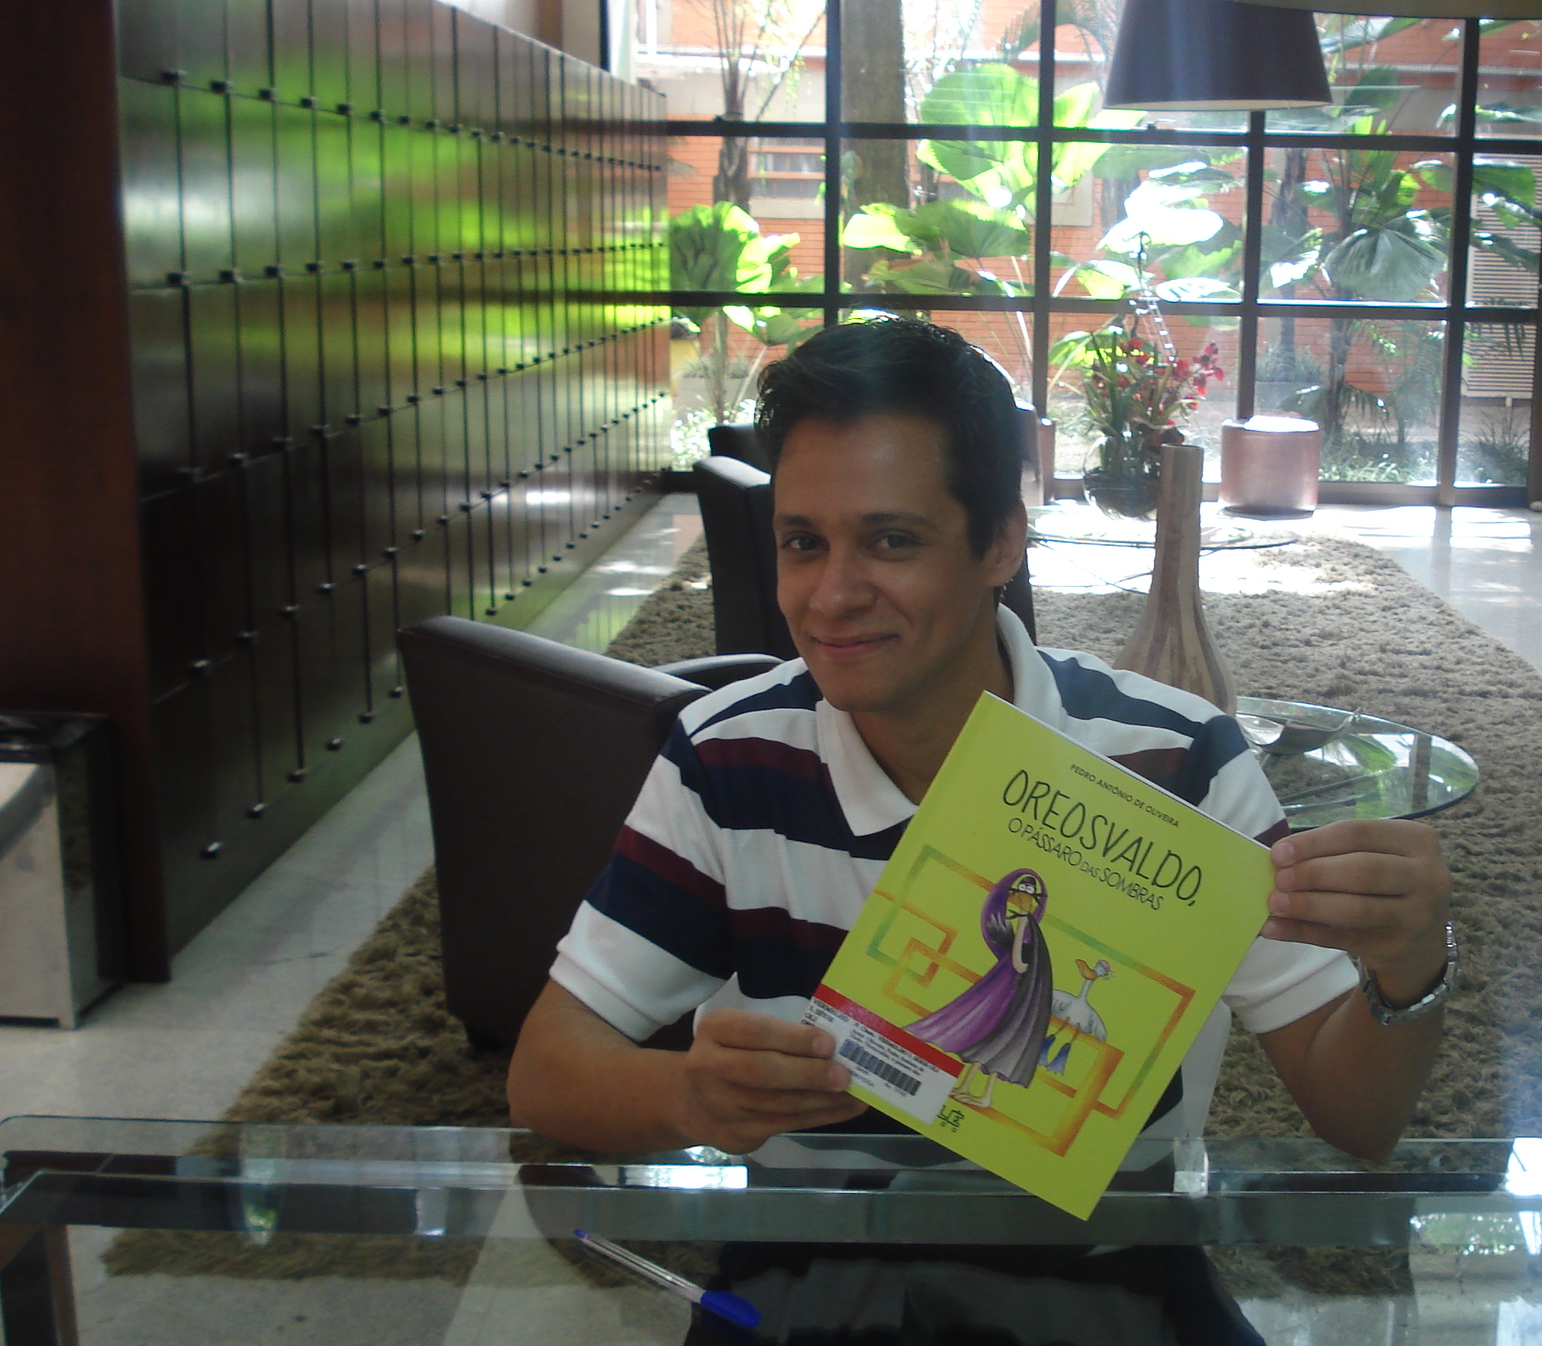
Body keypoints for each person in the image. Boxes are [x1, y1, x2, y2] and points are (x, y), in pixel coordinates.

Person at [507, 318, 1453, 1161]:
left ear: (1002, 542)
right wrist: (690, 1096)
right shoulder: (728, 758)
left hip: (1110, 1271)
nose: (832, 596)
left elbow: (1357, 1120)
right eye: (803, 542)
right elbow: (546, 1074)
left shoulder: (1177, 763)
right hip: (810, 1262)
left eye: (891, 541)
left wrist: (1409, 965)